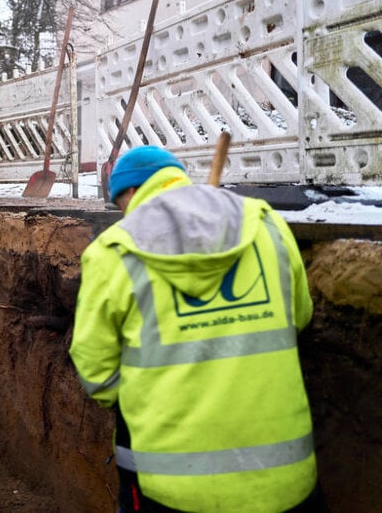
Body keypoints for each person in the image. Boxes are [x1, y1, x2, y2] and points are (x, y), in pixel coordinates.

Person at [70, 145, 326, 513]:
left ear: (131, 192)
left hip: (172, 489)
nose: (125, 216)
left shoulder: (113, 252)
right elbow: (298, 317)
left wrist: (149, 389)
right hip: (287, 484)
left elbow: (96, 372)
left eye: (121, 205)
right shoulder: (268, 226)